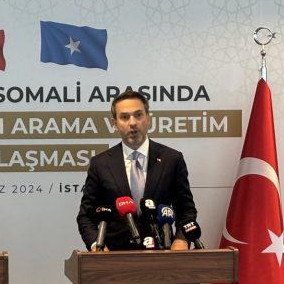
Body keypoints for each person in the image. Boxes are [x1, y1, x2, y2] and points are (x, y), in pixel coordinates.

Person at [77, 89, 197, 252]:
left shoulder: (172, 159)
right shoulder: (101, 164)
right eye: (124, 117)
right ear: (114, 123)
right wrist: (96, 245)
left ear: (148, 119)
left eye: (138, 115)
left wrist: (181, 240)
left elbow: (186, 210)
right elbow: (86, 216)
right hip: (115, 259)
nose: (132, 122)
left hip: (163, 255)